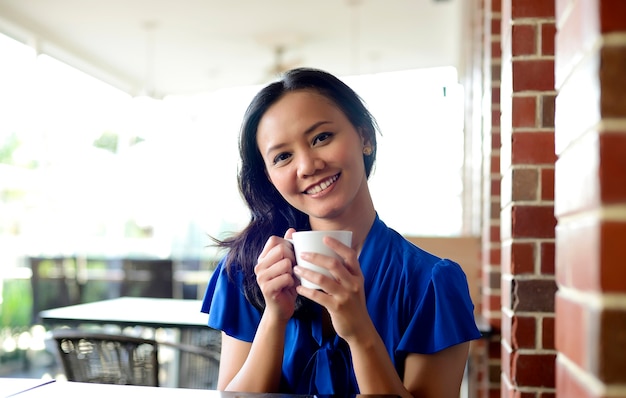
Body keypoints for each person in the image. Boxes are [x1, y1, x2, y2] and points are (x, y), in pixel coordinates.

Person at [201, 67, 481, 398]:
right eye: (283, 156)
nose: (307, 166)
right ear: (270, 176)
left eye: (321, 138)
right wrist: (274, 317)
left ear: (364, 137)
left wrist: (360, 333)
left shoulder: (433, 283)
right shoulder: (247, 271)